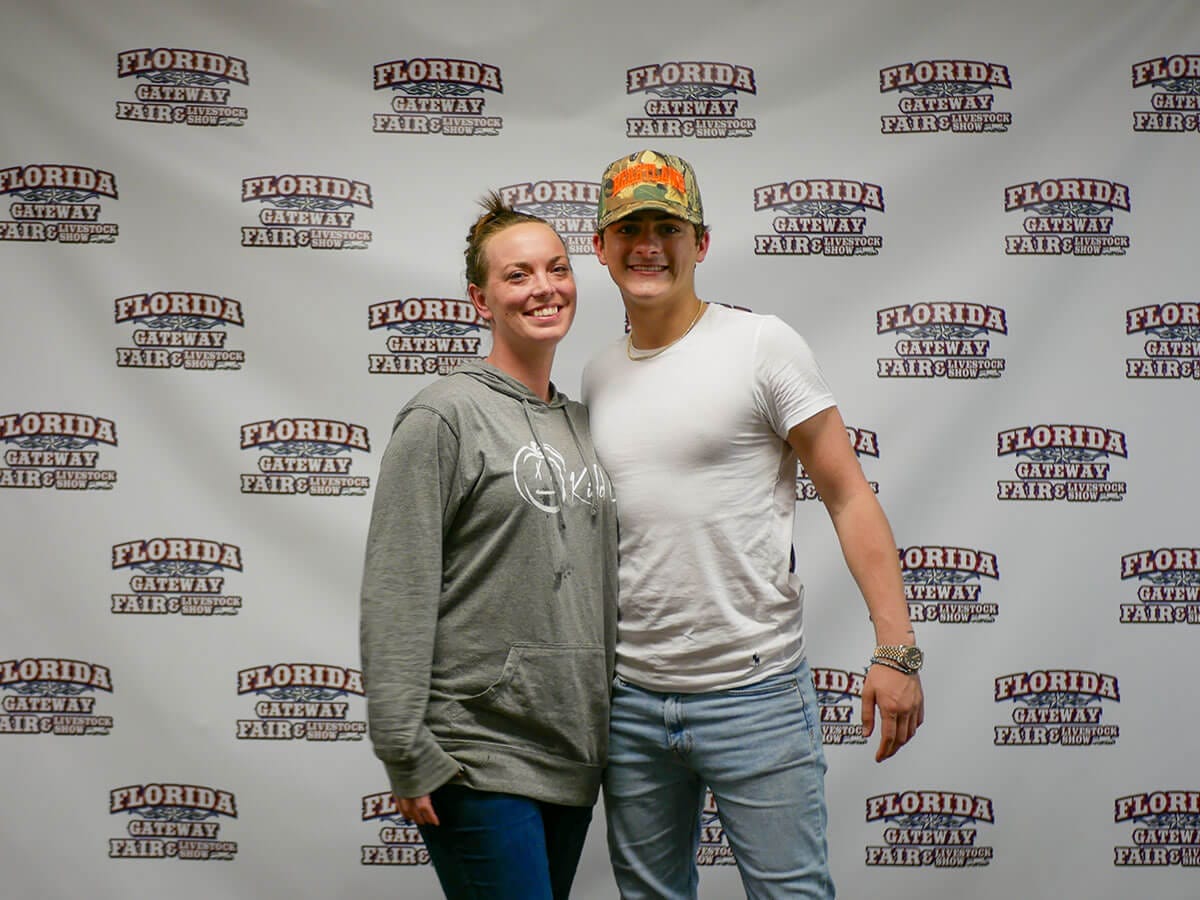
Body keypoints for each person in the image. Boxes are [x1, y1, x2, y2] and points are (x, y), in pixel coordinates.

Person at [582, 149, 925, 899]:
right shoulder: (598, 375)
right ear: (600, 247)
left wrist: (896, 650)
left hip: (755, 695)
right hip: (631, 702)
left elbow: (849, 496)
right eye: (629, 228)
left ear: (701, 243)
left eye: (668, 228)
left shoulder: (761, 345)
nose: (648, 245)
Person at [360, 193, 618, 900]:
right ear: (481, 299)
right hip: (475, 752)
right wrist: (404, 748)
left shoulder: (587, 424)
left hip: (574, 753)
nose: (544, 288)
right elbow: (397, 584)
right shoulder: (444, 415)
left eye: (557, 268)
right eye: (518, 275)